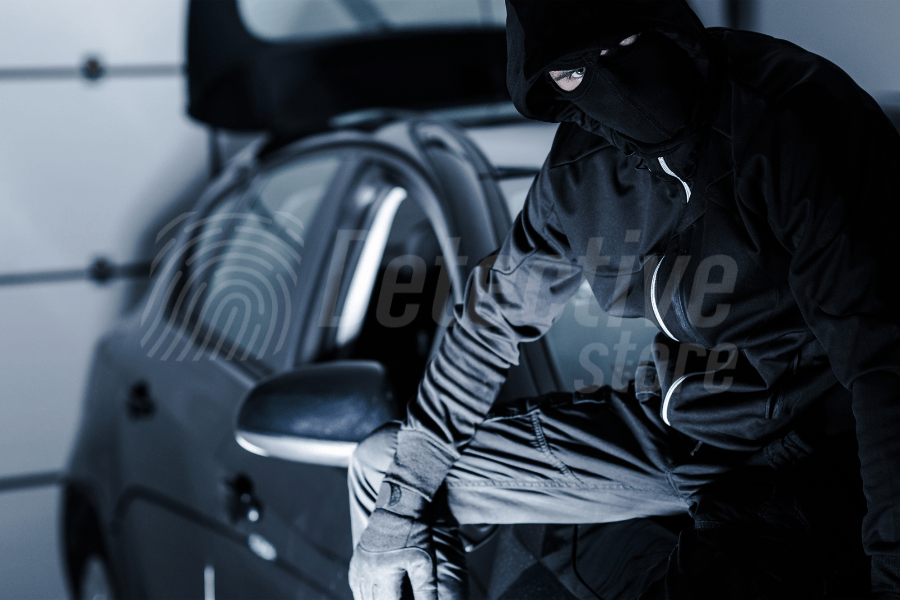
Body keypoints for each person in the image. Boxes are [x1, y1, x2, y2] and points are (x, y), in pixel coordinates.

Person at [347, 0, 900, 598]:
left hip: (802, 444)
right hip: (675, 426)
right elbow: (490, 322)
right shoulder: (581, 170)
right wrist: (399, 511)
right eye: (572, 74)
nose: (609, 85)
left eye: (625, 46)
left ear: (667, 28)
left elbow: (882, 363)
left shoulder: (792, 121)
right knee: (383, 470)